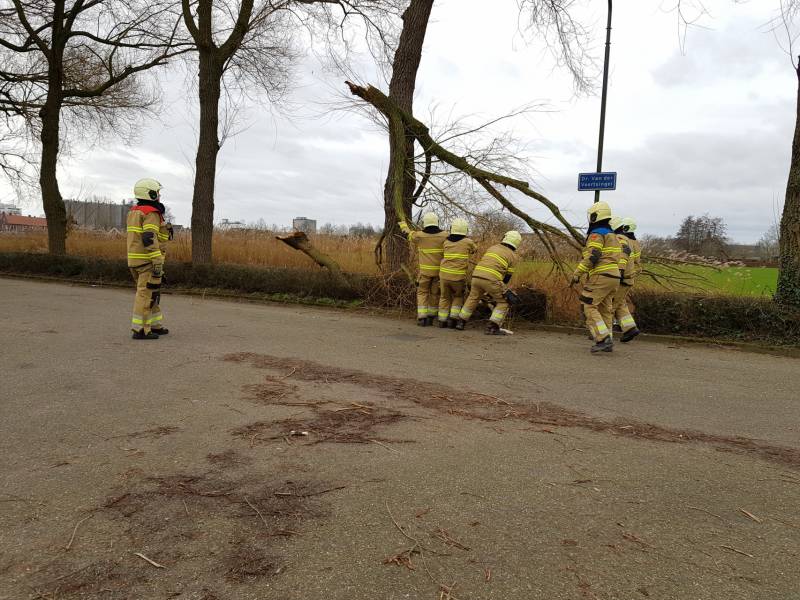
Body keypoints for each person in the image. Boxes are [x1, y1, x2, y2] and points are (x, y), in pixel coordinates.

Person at [572, 202, 621, 353]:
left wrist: (577, 273)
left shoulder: (596, 234)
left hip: (601, 275)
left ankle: (602, 338)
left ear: (595, 216)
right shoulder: (612, 235)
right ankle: (609, 339)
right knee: (605, 309)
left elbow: (593, 256)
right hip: (614, 276)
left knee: (588, 305)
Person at [456, 230, 521, 335]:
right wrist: (500, 290)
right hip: (492, 280)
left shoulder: (493, 247)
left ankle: (460, 322)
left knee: (473, 297)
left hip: (476, 276)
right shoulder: (513, 256)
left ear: (505, 238)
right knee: (504, 302)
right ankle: (492, 327)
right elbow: (506, 278)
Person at [127, 178, 166, 340]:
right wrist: (157, 259)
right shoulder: (151, 213)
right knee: (146, 295)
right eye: (157, 193)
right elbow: (149, 237)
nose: (159, 196)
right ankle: (141, 329)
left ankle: (155, 325)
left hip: (135, 260)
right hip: (148, 261)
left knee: (152, 294)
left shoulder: (134, 211)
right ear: (150, 193)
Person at [399, 213, 448, 326]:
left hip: (424, 273)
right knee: (434, 294)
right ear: (437, 222)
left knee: (422, 293)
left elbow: (407, 234)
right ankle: (431, 317)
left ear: (425, 223)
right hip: (438, 273)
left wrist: (402, 224)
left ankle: (422, 318)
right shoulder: (445, 235)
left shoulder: (419, 236)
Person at [437, 218, 478, 328]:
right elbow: (475, 250)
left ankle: (442, 320)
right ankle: (453, 320)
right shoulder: (468, 242)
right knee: (458, 296)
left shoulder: (445, 242)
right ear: (465, 230)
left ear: (452, 229)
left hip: (444, 275)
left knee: (444, 297)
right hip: (458, 276)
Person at [611, 216, 641, 342]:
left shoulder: (622, 241)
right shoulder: (635, 243)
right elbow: (636, 263)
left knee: (610, 305)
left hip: (623, 279)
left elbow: (622, 259)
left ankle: (603, 334)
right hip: (629, 278)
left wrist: (619, 273)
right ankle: (630, 328)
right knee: (620, 303)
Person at [148, 218, 174, 335]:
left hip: (157, 266)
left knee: (155, 297)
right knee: (150, 297)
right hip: (151, 266)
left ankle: (155, 325)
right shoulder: (156, 232)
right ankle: (145, 327)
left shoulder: (162, 242)